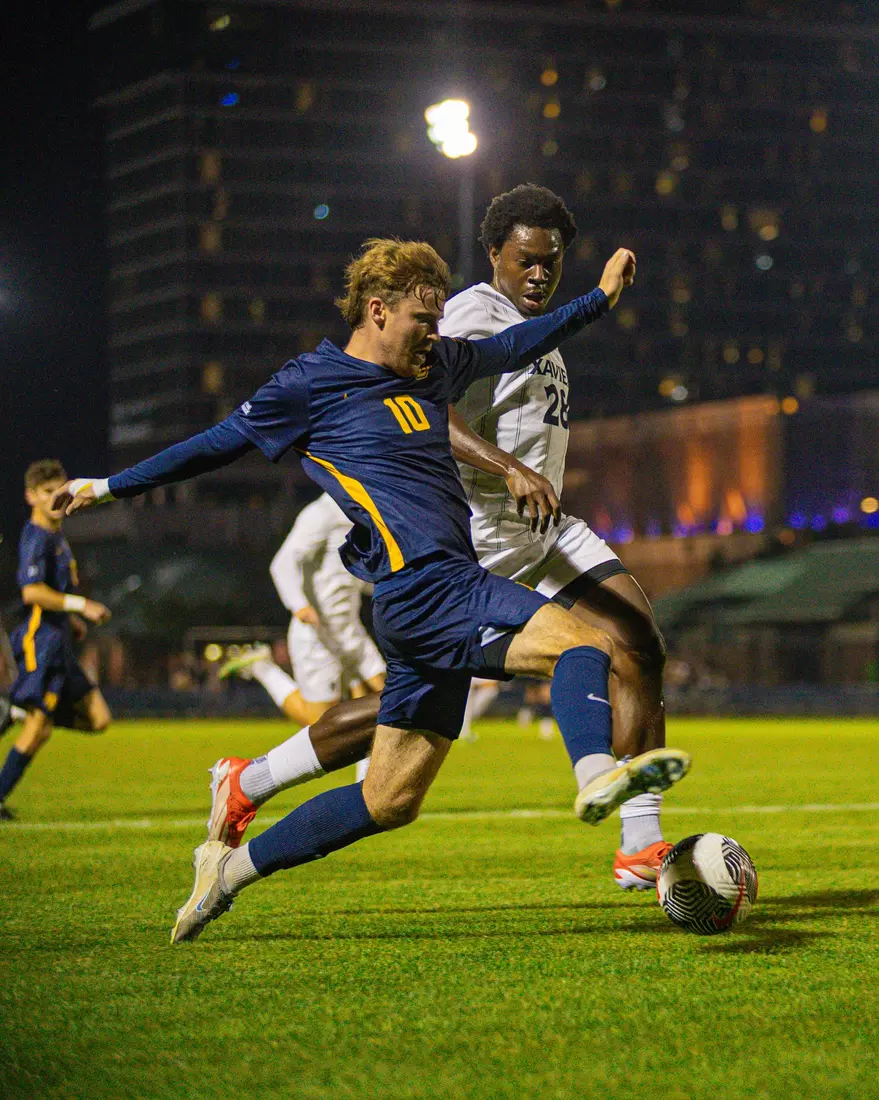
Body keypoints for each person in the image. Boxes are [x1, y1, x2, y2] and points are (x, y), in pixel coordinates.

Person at [55, 238, 689, 943]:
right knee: (588, 643)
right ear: (378, 309)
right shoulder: (308, 385)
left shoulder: (434, 368)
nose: (434, 333)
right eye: (423, 319)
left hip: (424, 599)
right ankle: (596, 775)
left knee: (389, 800)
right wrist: (107, 488)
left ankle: (225, 874)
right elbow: (214, 443)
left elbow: (517, 342)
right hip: (428, 586)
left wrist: (597, 300)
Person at [442, 184, 671, 889]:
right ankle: (256, 779)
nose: (539, 273)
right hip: (480, 551)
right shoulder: (472, 316)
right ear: (493, 255)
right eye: (525, 260)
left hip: (546, 534)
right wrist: (508, 468)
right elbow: (431, 419)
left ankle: (641, 843)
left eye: (551, 262)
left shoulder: (529, 322)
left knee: (639, 640)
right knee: (398, 743)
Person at [0, 460, 112, 820]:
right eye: (47, 492)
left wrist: (72, 620)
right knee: (39, 728)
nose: (56, 498)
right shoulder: (36, 537)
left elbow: (53, 592)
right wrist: (81, 605)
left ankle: (20, 709)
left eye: (59, 490)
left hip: (60, 638)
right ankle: (26, 713)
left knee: (98, 719)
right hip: (41, 641)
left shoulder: (56, 536)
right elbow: (32, 593)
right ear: (31, 496)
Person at [219, 492, 385, 723]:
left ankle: (371, 761)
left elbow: (358, 576)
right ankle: (263, 669)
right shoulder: (322, 512)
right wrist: (299, 605)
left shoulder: (367, 514)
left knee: (381, 700)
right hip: (316, 633)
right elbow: (283, 562)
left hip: (347, 629)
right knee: (322, 725)